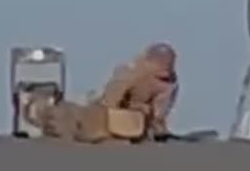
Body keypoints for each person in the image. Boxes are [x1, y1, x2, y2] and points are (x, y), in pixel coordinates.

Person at [25, 42, 179, 143]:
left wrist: (156, 125)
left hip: (136, 117)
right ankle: (40, 111)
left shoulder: (169, 83)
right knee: (80, 117)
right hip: (106, 110)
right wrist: (109, 108)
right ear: (149, 61)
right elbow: (115, 90)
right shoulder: (133, 70)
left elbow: (161, 108)